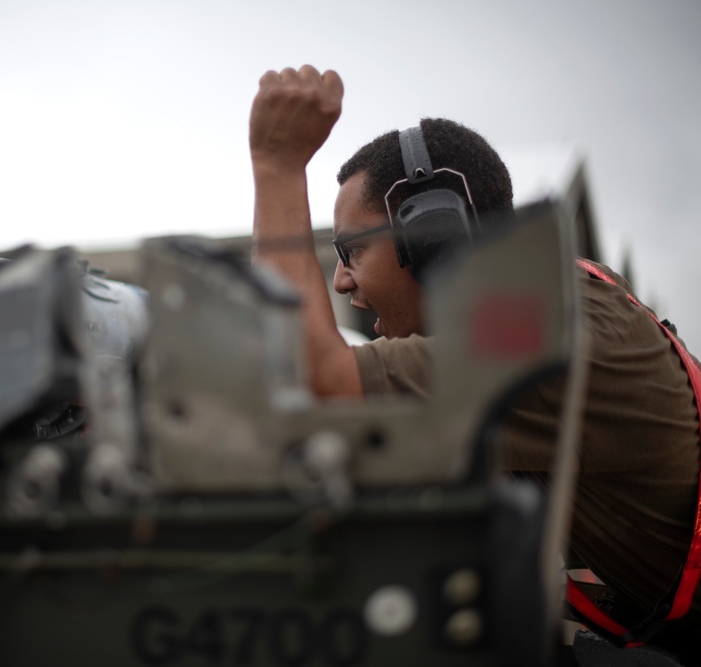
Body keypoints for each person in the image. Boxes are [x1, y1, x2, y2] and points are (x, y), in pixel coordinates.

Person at [248, 65, 700, 662]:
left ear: (435, 238)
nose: (341, 282)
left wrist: (278, 168)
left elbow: (312, 383)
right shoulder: (544, 311)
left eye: (352, 250)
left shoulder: (553, 331)